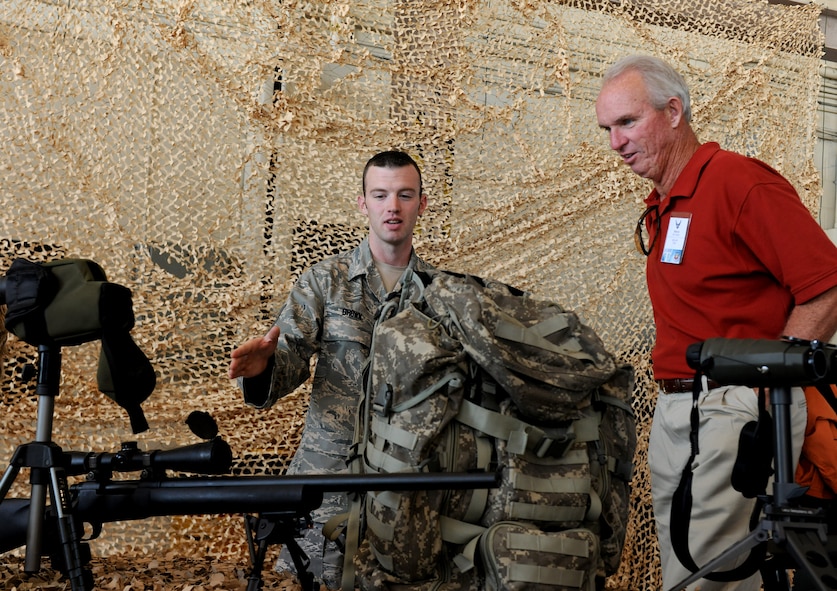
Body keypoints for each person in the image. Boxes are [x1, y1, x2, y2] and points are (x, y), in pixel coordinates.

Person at [595, 54, 837, 591]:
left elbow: (827, 284)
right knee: (691, 574)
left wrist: (773, 383)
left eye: (627, 122)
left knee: (710, 580)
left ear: (673, 112)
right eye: (607, 129)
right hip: (678, 408)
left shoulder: (736, 181)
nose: (616, 142)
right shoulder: (665, 202)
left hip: (732, 407)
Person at [228, 150, 433, 589]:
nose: (392, 207)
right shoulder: (325, 280)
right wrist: (264, 366)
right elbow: (290, 354)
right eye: (380, 195)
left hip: (405, 485)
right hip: (328, 482)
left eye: (405, 195)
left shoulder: (439, 296)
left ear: (422, 204)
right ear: (363, 203)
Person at [791, 384, 837, 591]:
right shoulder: (817, 390)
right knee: (817, 567)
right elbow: (825, 449)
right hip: (818, 495)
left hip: (819, 491)